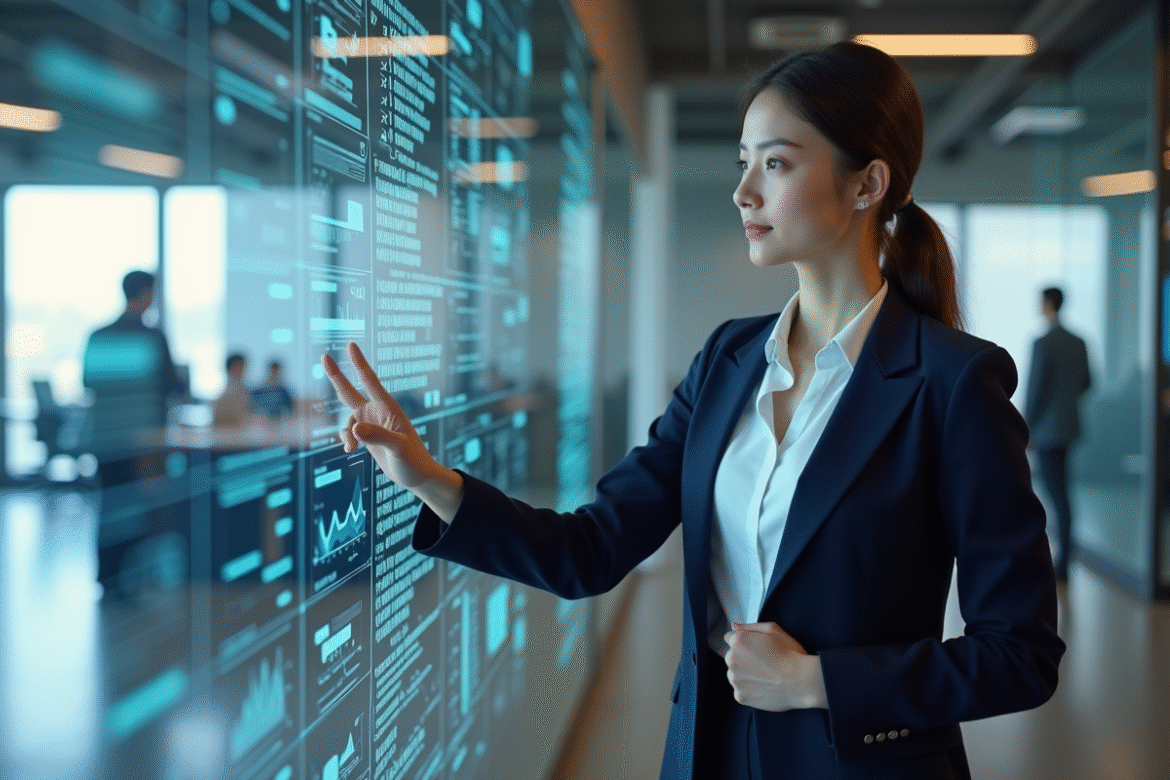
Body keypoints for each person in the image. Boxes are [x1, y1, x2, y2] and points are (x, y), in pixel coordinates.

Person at [323, 41, 1064, 780]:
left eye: (775, 163)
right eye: (744, 161)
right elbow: (591, 550)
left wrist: (815, 682)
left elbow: (1019, 654)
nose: (744, 191)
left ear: (867, 183)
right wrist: (424, 477)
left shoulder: (954, 381)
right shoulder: (727, 363)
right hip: (709, 754)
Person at [83, 269, 185, 594]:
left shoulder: (98, 335)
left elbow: (88, 382)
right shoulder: (152, 337)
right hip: (143, 441)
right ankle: (132, 578)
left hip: (106, 438)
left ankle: (106, 577)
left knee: (109, 504)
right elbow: (172, 385)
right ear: (144, 294)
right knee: (139, 505)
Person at [1025, 287, 1092, 582]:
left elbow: (1036, 389)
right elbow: (1088, 382)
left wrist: (1026, 428)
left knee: (1056, 496)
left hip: (1046, 431)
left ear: (1047, 304)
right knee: (1063, 494)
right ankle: (1064, 559)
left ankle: (1061, 564)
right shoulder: (1079, 341)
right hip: (1069, 427)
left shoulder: (1043, 342)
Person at [212, 352, 253, 428]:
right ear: (230, 369)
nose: (243, 370)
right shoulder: (227, 394)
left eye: (243, 367)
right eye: (239, 367)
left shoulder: (244, 390)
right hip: (227, 433)